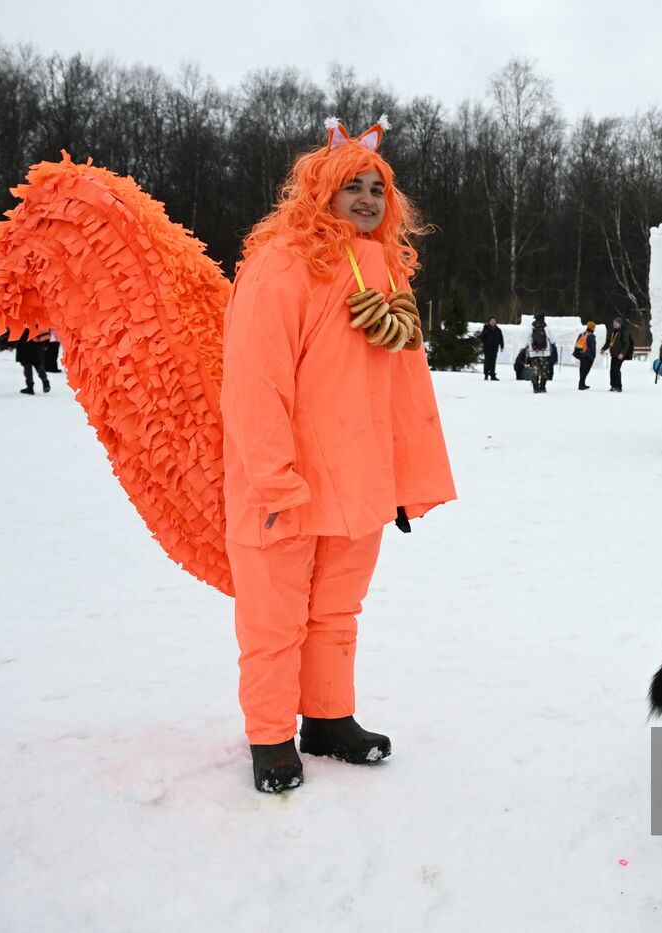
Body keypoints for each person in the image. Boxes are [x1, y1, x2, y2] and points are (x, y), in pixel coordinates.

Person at [217, 116, 455, 793]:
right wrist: (272, 478)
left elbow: (404, 387)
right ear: (316, 191)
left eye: (376, 188)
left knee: (335, 611)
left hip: (359, 486)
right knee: (275, 618)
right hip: (284, 485)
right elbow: (254, 383)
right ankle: (270, 735)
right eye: (351, 186)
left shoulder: (386, 270)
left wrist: (404, 479)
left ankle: (327, 718)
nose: (366, 200)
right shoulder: (280, 264)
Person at [15, 327, 52, 394]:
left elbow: (18, 328)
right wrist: (46, 342)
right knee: (38, 363)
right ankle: (45, 380)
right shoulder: (41, 317)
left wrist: (11, 343)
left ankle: (30, 386)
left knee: (27, 365)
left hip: (25, 341)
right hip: (38, 342)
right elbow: (45, 326)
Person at [603, 314, 633, 391]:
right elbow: (608, 342)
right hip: (613, 354)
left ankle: (618, 386)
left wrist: (622, 353)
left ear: (620, 324)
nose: (614, 324)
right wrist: (603, 348)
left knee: (616, 370)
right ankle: (613, 386)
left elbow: (627, 344)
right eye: (613, 322)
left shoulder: (624, 331)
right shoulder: (613, 332)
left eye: (616, 323)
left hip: (619, 355)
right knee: (612, 370)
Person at [526, 316, 553, 393]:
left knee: (535, 370)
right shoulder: (546, 326)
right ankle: (542, 387)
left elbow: (527, 339)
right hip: (545, 352)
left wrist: (529, 347)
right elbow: (552, 339)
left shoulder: (531, 326)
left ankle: (535, 387)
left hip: (534, 353)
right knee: (544, 370)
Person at [479, 316, 504, 381]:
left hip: (495, 348)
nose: (493, 322)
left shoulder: (498, 330)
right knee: (487, 362)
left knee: (493, 362)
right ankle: (486, 375)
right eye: (491, 321)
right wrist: (485, 341)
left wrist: (501, 346)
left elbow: (501, 338)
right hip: (487, 348)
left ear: (495, 322)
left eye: (494, 321)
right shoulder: (486, 329)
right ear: (489, 322)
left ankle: (492, 375)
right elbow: (481, 338)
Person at [574, 321, 597, 390]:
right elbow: (593, 347)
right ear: (592, 328)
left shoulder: (581, 334)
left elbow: (577, 343)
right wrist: (593, 356)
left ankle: (582, 383)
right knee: (586, 370)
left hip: (582, 355)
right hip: (588, 356)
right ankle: (581, 385)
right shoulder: (591, 336)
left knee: (582, 369)